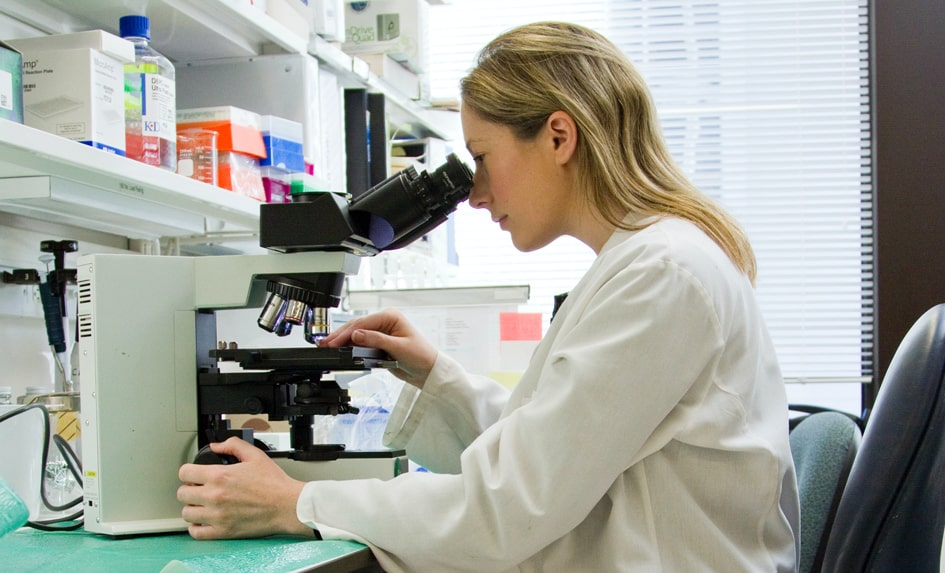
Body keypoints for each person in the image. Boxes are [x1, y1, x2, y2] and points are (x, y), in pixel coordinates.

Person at [177, 21, 799, 572]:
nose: (474, 194)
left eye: (481, 156)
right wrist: (438, 377)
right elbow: (556, 452)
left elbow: (509, 507)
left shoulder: (660, 274)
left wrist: (296, 503)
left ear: (559, 137)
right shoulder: (652, 261)